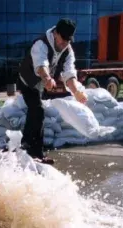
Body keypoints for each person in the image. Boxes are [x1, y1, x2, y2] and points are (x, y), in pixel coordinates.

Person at [17, 18, 88, 164]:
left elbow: (69, 73)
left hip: (42, 84)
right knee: (38, 110)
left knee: (36, 112)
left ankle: (26, 148)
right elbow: (41, 65)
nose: (64, 45)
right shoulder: (41, 44)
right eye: (62, 41)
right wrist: (47, 78)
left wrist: (76, 92)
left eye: (67, 41)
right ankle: (34, 152)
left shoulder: (68, 51)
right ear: (55, 33)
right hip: (27, 81)